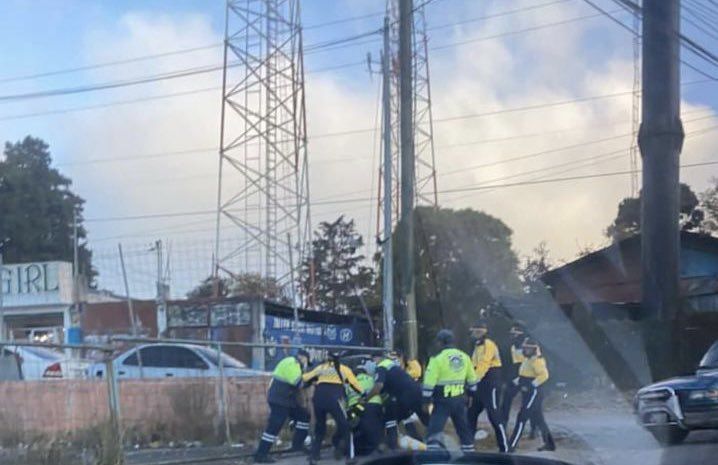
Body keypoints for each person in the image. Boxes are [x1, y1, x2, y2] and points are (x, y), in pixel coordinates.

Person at [303, 351, 365, 463]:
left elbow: (305, 378)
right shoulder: (344, 369)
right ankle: (350, 457)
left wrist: (313, 380)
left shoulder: (321, 368)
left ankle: (314, 456)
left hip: (318, 398)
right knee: (345, 427)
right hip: (335, 398)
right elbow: (355, 385)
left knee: (320, 428)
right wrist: (363, 394)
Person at [421, 329, 477, 453]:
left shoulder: (437, 359)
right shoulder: (465, 357)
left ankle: (433, 457)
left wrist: (426, 401)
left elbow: (429, 383)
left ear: (441, 342)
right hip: (460, 399)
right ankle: (469, 455)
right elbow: (473, 380)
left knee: (435, 430)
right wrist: (471, 396)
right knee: (463, 429)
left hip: (442, 401)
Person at [254, 349, 312, 463]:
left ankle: (297, 444)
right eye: (306, 361)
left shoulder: (292, 362)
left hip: (286, 400)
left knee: (304, 416)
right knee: (274, 427)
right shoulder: (292, 363)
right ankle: (261, 454)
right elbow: (298, 382)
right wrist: (312, 379)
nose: (306, 364)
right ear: (302, 357)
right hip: (279, 400)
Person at [365, 351, 428, 449]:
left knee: (390, 417)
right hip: (415, 391)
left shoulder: (381, 367)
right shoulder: (391, 365)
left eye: (372, 359)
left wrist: (366, 398)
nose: (372, 362)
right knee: (416, 418)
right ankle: (429, 443)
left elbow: (379, 386)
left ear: (376, 359)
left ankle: (393, 446)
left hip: (404, 395)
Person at [507, 338, 556, 453]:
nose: (525, 350)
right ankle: (550, 444)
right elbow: (525, 373)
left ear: (534, 349)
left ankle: (511, 446)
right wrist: (518, 381)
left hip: (533, 393)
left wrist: (532, 385)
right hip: (527, 391)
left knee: (522, 417)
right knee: (539, 419)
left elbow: (544, 375)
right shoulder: (528, 359)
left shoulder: (537, 361)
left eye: (528, 348)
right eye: (525, 348)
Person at [467, 321, 508, 452]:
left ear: (481, 332)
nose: (473, 334)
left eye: (475, 331)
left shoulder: (488, 344)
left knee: (494, 415)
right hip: (480, 384)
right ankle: (468, 445)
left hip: (491, 383)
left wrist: (474, 379)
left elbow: (484, 364)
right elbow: (473, 364)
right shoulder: (477, 346)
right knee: (471, 414)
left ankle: (505, 448)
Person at [345, 362, 383, 456]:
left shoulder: (351, 383)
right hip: (375, 405)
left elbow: (345, 398)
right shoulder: (371, 379)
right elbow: (379, 390)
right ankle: (376, 448)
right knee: (375, 428)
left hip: (356, 409)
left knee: (356, 428)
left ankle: (357, 450)